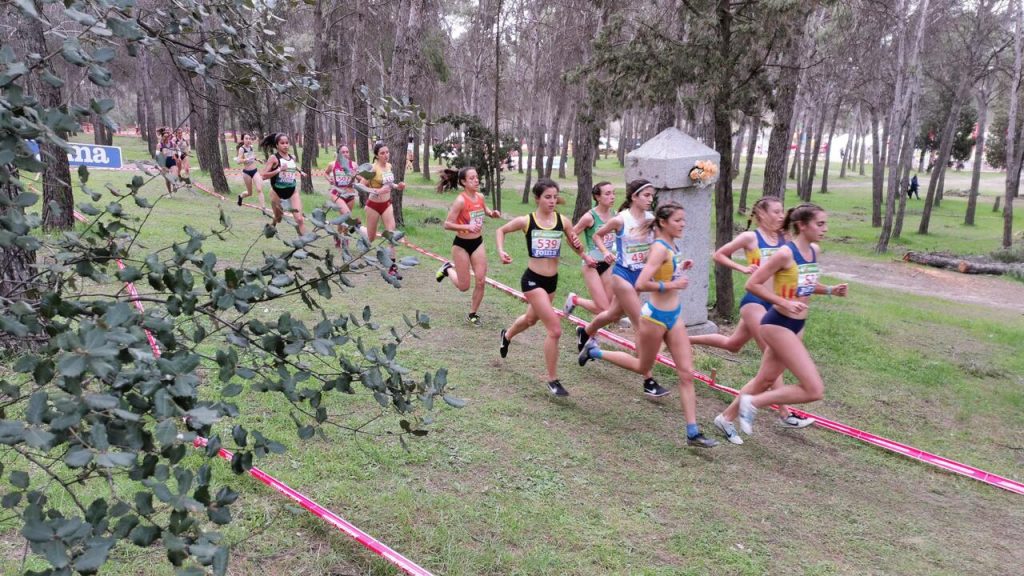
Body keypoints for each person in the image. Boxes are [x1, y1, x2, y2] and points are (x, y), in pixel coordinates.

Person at [577, 204, 718, 448]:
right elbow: (641, 284)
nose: (683, 224)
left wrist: (678, 270)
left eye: (683, 219)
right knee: (642, 364)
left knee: (686, 373)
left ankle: (693, 432)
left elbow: (661, 274)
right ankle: (594, 352)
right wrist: (671, 286)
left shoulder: (673, 245)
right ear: (663, 223)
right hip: (654, 317)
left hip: (675, 316)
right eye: (678, 220)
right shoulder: (659, 248)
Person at [687, 197, 812, 444]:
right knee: (773, 355)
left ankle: (683, 338)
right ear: (761, 214)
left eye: (781, 212)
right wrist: (742, 268)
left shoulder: (786, 241)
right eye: (775, 212)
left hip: (777, 304)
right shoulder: (750, 238)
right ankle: (784, 413)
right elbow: (720, 255)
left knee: (733, 343)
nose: (780, 216)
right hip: (755, 302)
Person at [736, 203, 849, 436]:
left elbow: (804, 286)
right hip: (777, 322)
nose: (825, 229)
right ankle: (754, 403)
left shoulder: (814, 251)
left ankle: (725, 418)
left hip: (798, 324)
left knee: (765, 378)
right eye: (819, 224)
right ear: (802, 225)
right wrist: (783, 302)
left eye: (825, 224)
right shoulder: (785, 253)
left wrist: (829, 290)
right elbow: (752, 284)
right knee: (814, 389)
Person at [575, 179, 667, 398]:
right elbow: (597, 234)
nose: (650, 199)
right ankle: (648, 380)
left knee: (613, 314)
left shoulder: (652, 220)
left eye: (652, 196)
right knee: (640, 324)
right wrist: (602, 252)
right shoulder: (621, 219)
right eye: (646, 195)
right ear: (634, 196)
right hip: (623, 276)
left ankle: (585, 332)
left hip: (640, 277)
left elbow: (658, 245)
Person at [496, 178, 584, 397]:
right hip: (532, 280)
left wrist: (584, 254)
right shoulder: (527, 220)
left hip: (551, 283)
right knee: (554, 329)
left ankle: (506, 336)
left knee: (530, 320)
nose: (552, 201)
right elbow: (501, 230)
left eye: (555, 197)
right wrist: (501, 251)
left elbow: (575, 245)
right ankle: (553, 380)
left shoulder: (563, 221)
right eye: (547, 197)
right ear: (537, 198)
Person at [436, 167, 502, 326]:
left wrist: (493, 213)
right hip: (461, 245)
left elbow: (484, 210)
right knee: (463, 286)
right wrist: (465, 227)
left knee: (480, 281)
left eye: (477, 177)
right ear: (463, 182)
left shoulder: (479, 196)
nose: (476, 180)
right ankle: (447, 269)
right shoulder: (460, 201)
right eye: (472, 178)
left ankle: (473, 313)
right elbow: (447, 224)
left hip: (477, 243)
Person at [563, 181, 617, 318]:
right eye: (608, 194)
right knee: (604, 309)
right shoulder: (589, 217)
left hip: (608, 264)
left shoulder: (615, 215)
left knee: (609, 308)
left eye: (614, 193)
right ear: (597, 197)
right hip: (591, 265)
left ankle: (575, 301)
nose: (612, 197)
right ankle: (576, 300)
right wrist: (584, 256)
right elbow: (570, 237)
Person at [356, 142, 405, 279]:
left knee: (391, 234)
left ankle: (392, 268)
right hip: (373, 205)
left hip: (387, 204)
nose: (386, 155)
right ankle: (359, 228)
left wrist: (397, 186)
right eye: (382, 153)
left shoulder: (389, 166)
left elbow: (389, 184)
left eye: (387, 152)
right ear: (377, 155)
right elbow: (360, 186)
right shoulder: (373, 169)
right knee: (371, 237)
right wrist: (378, 190)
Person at [259, 133, 307, 236]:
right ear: (277, 145)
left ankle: (303, 244)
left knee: (299, 219)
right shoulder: (274, 158)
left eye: (287, 143)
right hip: (277, 192)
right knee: (278, 218)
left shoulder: (292, 157)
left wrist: (300, 172)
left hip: (292, 192)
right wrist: (279, 170)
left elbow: (292, 166)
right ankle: (271, 226)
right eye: (282, 143)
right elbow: (263, 176)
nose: (285, 145)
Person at [326, 144, 358, 251]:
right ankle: (345, 239)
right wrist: (329, 180)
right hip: (337, 194)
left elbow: (359, 179)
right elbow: (326, 173)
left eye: (347, 152)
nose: (345, 154)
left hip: (350, 195)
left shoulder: (353, 165)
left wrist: (355, 177)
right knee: (346, 215)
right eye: (343, 152)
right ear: (338, 153)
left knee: (343, 218)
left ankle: (338, 236)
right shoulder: (332, 164)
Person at [235, 133, 265, 210]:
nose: (248, 140)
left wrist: (258, 160)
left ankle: (263, 208)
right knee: (249, 193)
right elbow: (238, 161)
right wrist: (246, 159)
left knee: (259, 189)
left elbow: (252, 156)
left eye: (249, 139)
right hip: (246, 173)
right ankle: (241, 196)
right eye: (246, 138)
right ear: (243, 140)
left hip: (254, 171)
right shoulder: (242, 149)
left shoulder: (251, 147)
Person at [157, 128, 179, 194]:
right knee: (167, 179)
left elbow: (178, 150)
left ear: (169, 137)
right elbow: (157, 155)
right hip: (164, 162)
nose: (166, 138)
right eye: (165, 137)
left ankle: (175, 185)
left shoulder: (173, 143)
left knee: (174, 174)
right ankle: (170, 193)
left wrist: (176, 155)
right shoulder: (159, 145)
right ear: (162, 137)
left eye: (168, 136)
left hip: (171, 160)